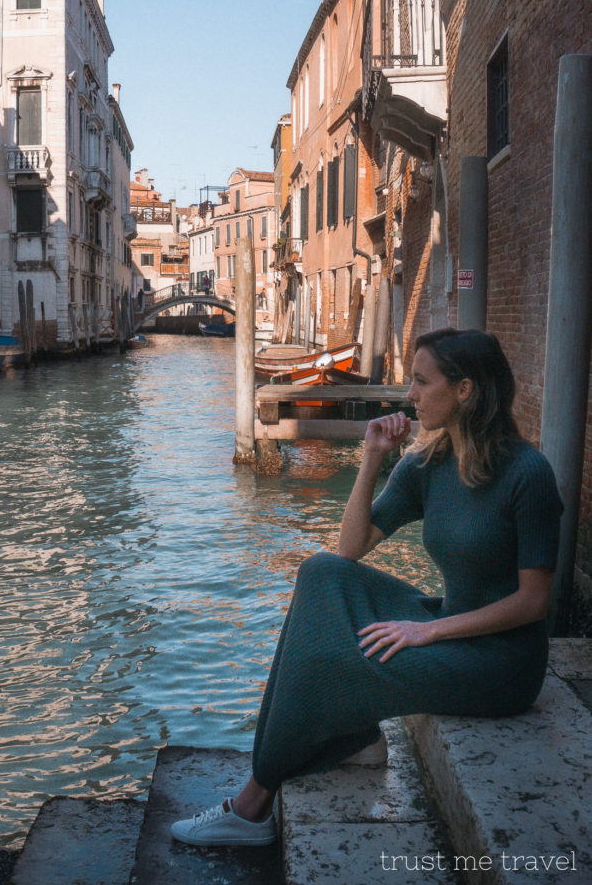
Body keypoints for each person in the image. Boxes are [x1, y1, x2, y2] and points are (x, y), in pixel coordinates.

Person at [171, 327, 563, 847]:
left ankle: (252, 805)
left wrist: (429, 631)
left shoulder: (528, 473)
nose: (410, 394)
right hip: (449, 622)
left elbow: (534, 602)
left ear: (464, 390)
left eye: (422, 382)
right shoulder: (427, 463)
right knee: (321, 572)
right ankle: (353, 736)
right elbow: (350, 549)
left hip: (501, 664)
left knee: (329, 661)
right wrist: (372, 457)